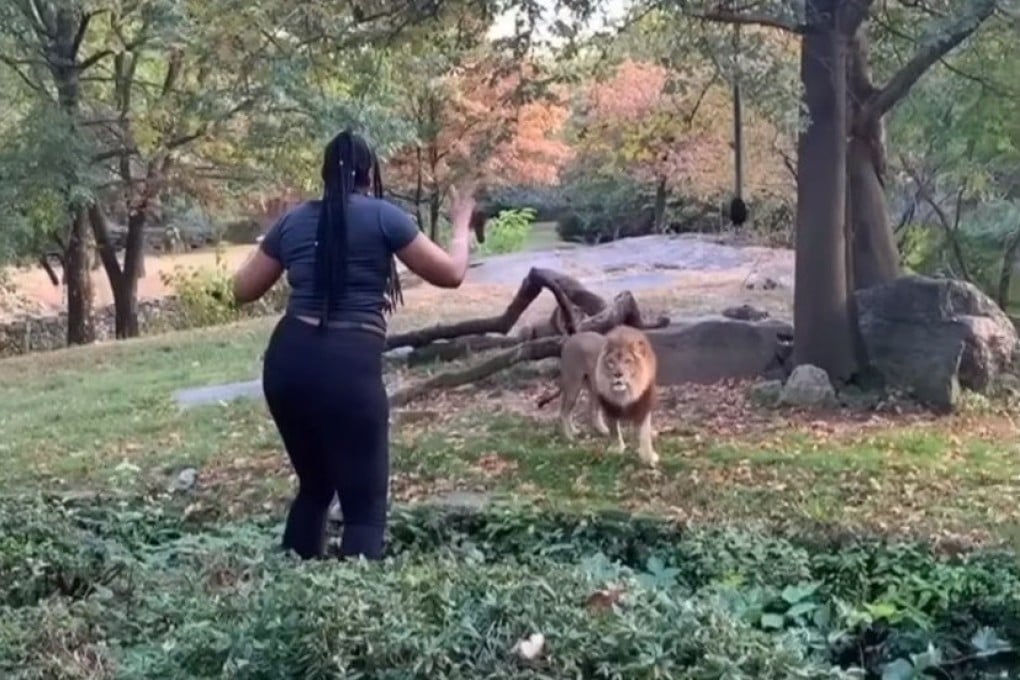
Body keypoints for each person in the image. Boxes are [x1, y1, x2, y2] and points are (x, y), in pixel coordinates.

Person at [230, 129, 476, 560]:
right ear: (368, 174)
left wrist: (279, 234)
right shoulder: (384, 217)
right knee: (364, 507)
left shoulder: (295, 220)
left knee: (316, 485)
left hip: (287, 363)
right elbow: (452, 273)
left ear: (325, 175)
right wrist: (460, 226)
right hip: (347, 366)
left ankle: (295, 586)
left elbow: (242, 289)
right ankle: (354, 610)